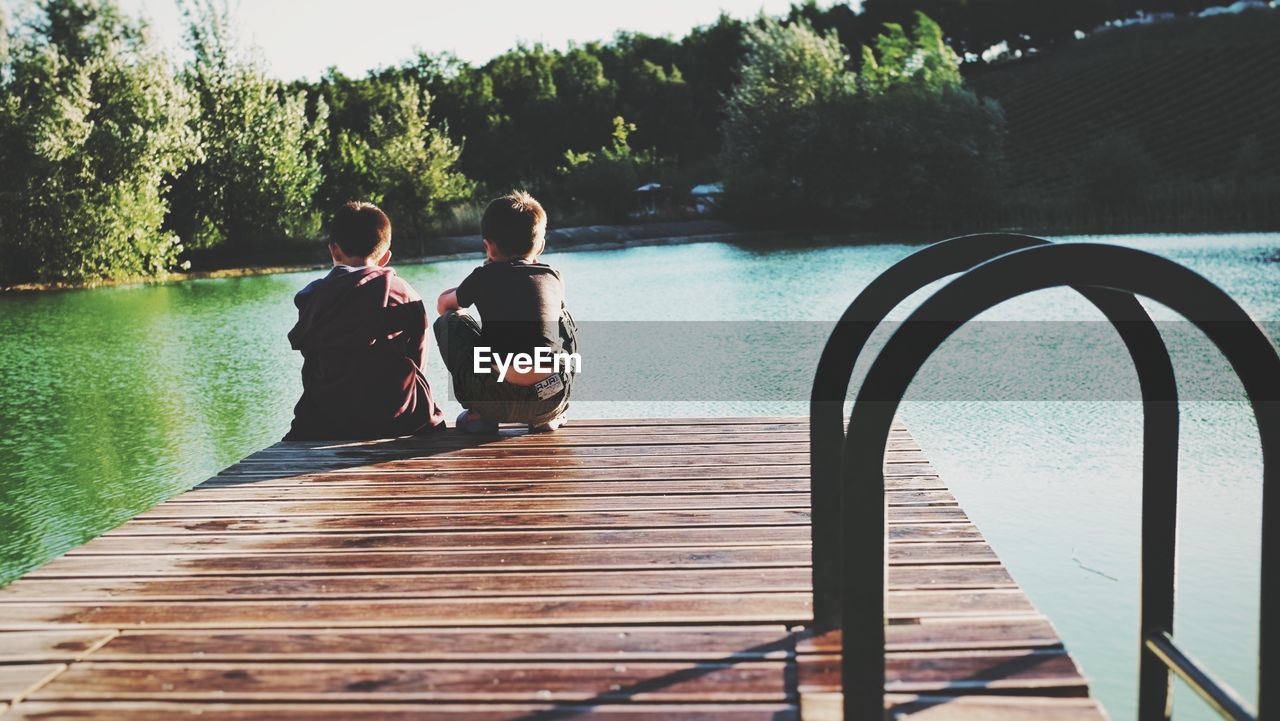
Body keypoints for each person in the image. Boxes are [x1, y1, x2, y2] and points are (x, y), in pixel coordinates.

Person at [285, 202, 445, 440]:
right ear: (385, 257)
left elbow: (312, 357)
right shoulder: (404, 293)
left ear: (334, 250)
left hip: (328, 419)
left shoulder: (313, 297)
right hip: (397, 416)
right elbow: (419, 358)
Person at [435, 191, 577, 433]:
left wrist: (476, 281)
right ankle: (552, 415)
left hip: (494, 399)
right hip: (550, 394)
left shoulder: (482, 277)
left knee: (450, 320)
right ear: (540, 246)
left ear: (488, 247)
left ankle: (479, 415)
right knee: (561, 316)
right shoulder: (553, 277)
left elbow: (443, 305)